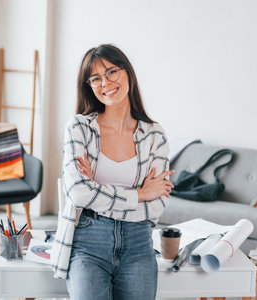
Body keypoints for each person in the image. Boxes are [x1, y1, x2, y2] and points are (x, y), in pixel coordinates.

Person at [51, 44, 174, 300]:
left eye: (111, 72)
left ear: (127, 72)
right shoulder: (80, 128)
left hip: (138, 244)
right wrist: (140, 194)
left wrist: (97, 190)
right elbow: (78, 194)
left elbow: (158, 205)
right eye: (96, 78)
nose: (105, 83)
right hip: (88, 242)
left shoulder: (155, 135)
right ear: (89, 85)